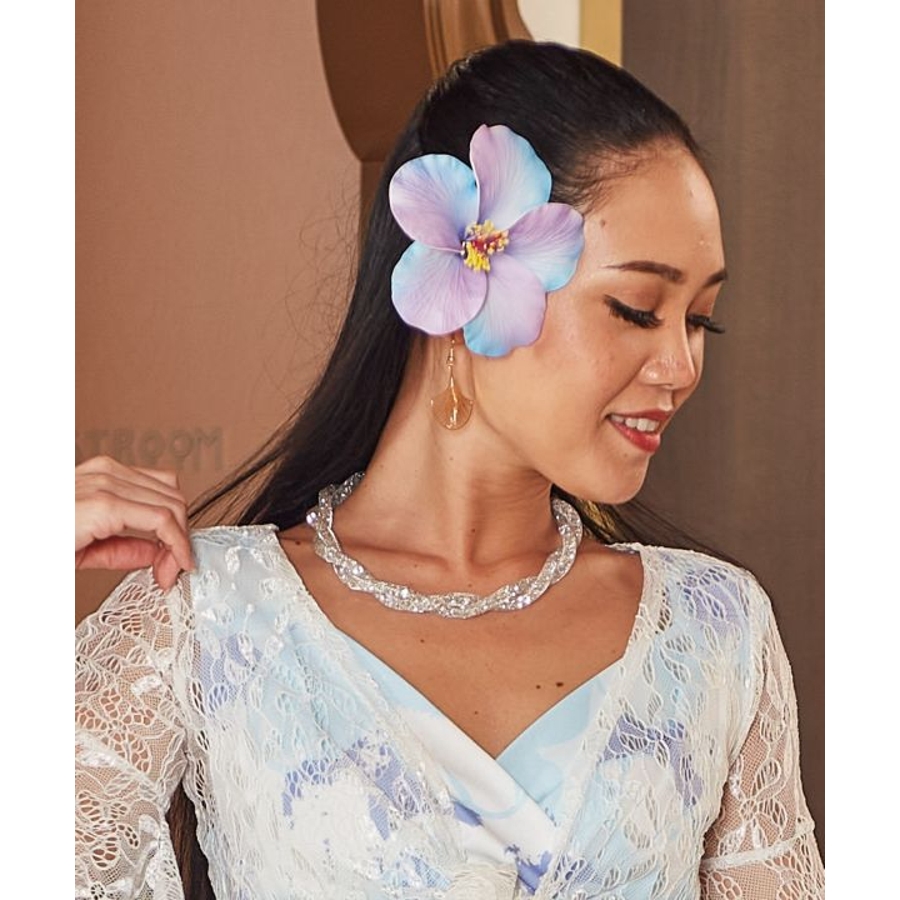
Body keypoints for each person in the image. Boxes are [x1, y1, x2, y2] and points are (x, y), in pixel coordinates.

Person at [75, 41, 824, 899]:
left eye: (700, 321)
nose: (681, 367)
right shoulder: (203, 617)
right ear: (465, 287)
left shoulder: (712, 634)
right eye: (637, 309)